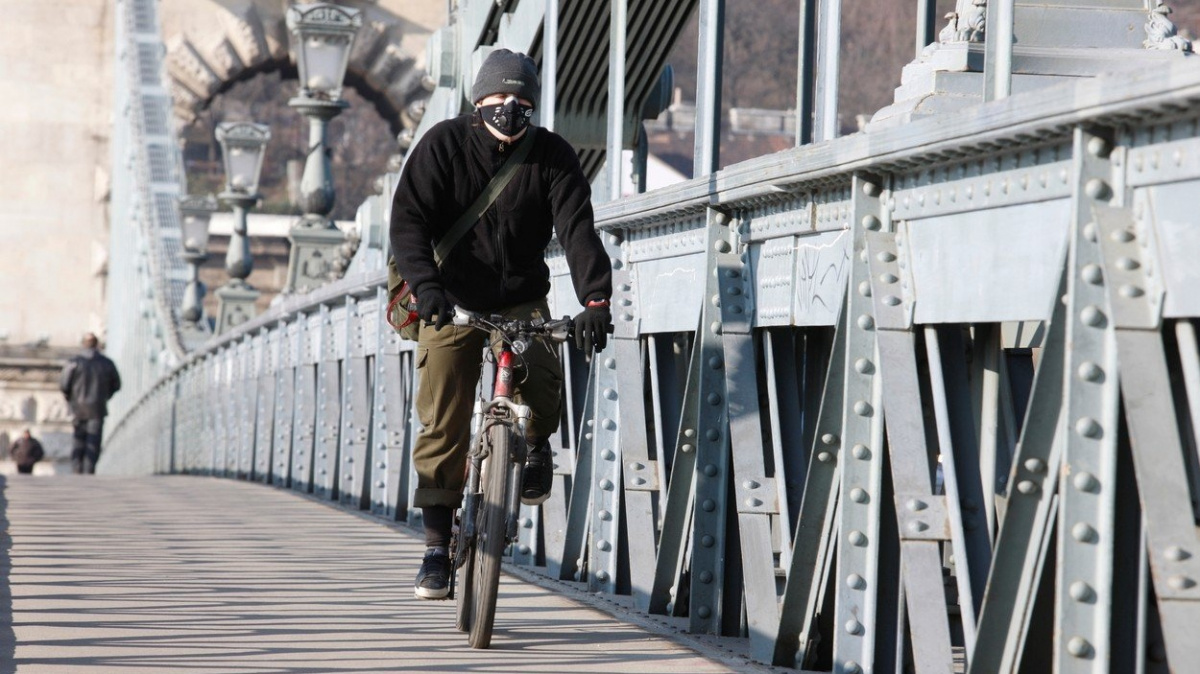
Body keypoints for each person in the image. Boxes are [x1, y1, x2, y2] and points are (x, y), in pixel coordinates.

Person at [389, 49, 613, 600]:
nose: (509, 108)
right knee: (442, 412)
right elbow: (408, 222)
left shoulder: (552, 156)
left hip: (519, 299)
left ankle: (536, 444)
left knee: (540, 370)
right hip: (451, 297)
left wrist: (595, 301)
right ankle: (436, 550)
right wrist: (427, 287)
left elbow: (578, 228)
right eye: (497, 98)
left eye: (521, 101)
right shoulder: (443, 144)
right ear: (478, 99)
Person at [59, 332, 121, 474]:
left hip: (78, 407)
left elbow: (64, 384)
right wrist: (105, 396)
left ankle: (77, 467)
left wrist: (71, 399)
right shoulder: (107, 363)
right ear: (97, 344)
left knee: (78, 438)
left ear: (83, 344)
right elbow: (116, 385)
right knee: (94, 439)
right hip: (97, 407)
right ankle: (89, 469)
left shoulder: (74, 362)